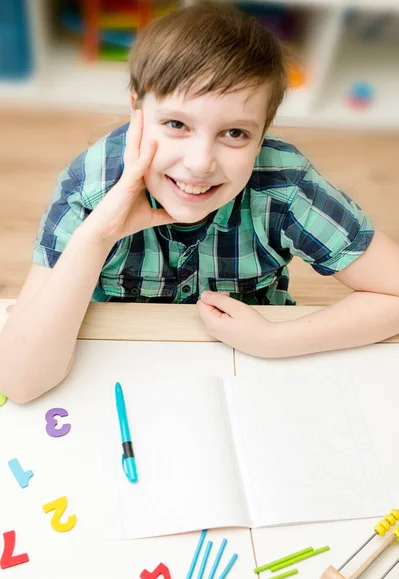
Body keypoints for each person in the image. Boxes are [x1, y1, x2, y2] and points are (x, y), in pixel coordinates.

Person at [1, 1, 399, 404]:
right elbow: (20, 381)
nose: (199, 163)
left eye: (235, 133)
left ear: (263, 135)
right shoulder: (91, 185)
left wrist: (275, 338)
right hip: (117, 363)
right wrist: (100, 232)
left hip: (247, 362)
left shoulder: (284, 185)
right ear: (137, 110)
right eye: (177, 124)